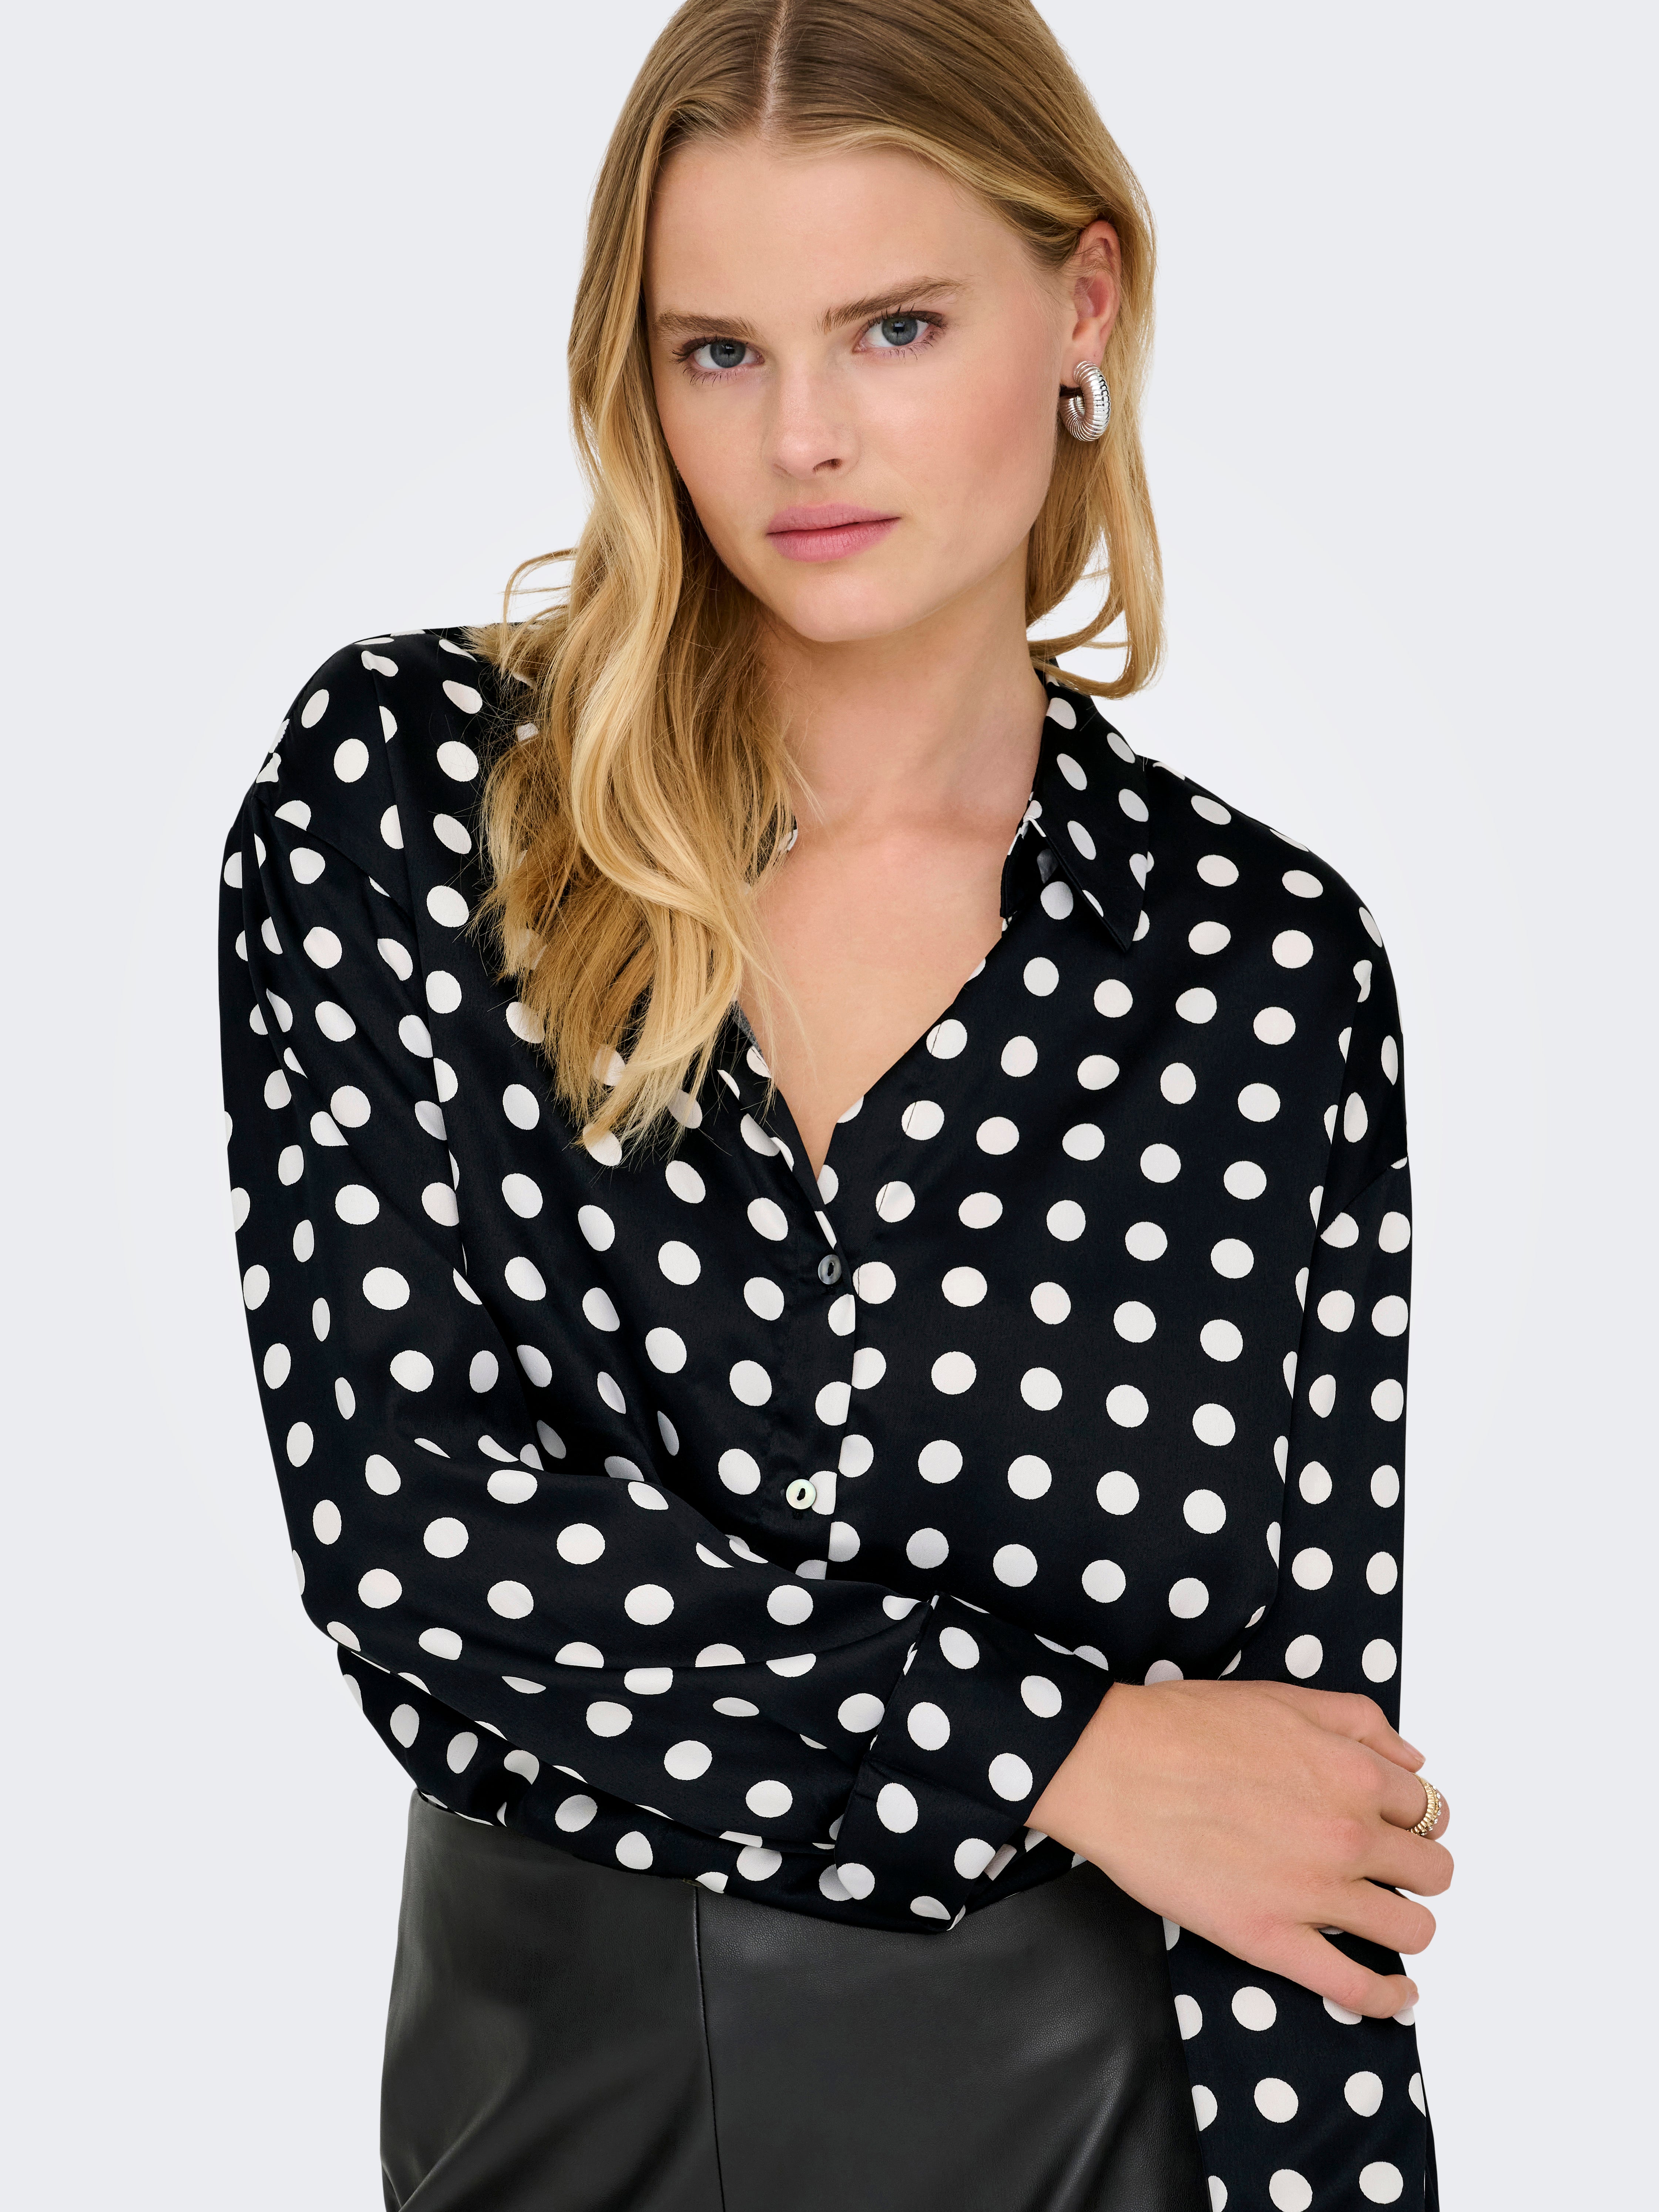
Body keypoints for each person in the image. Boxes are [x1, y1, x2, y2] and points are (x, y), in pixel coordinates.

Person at [217, 2, 1451, 2205]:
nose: (804, 437)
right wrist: (1066, 1753)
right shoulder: (414, 803)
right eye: (719, 351)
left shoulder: (1265, 971)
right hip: (576, 2119)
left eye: (895, 326)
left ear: (1082, 305)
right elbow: (415, 1528)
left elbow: (1299, 1815)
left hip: (1109, 2129)